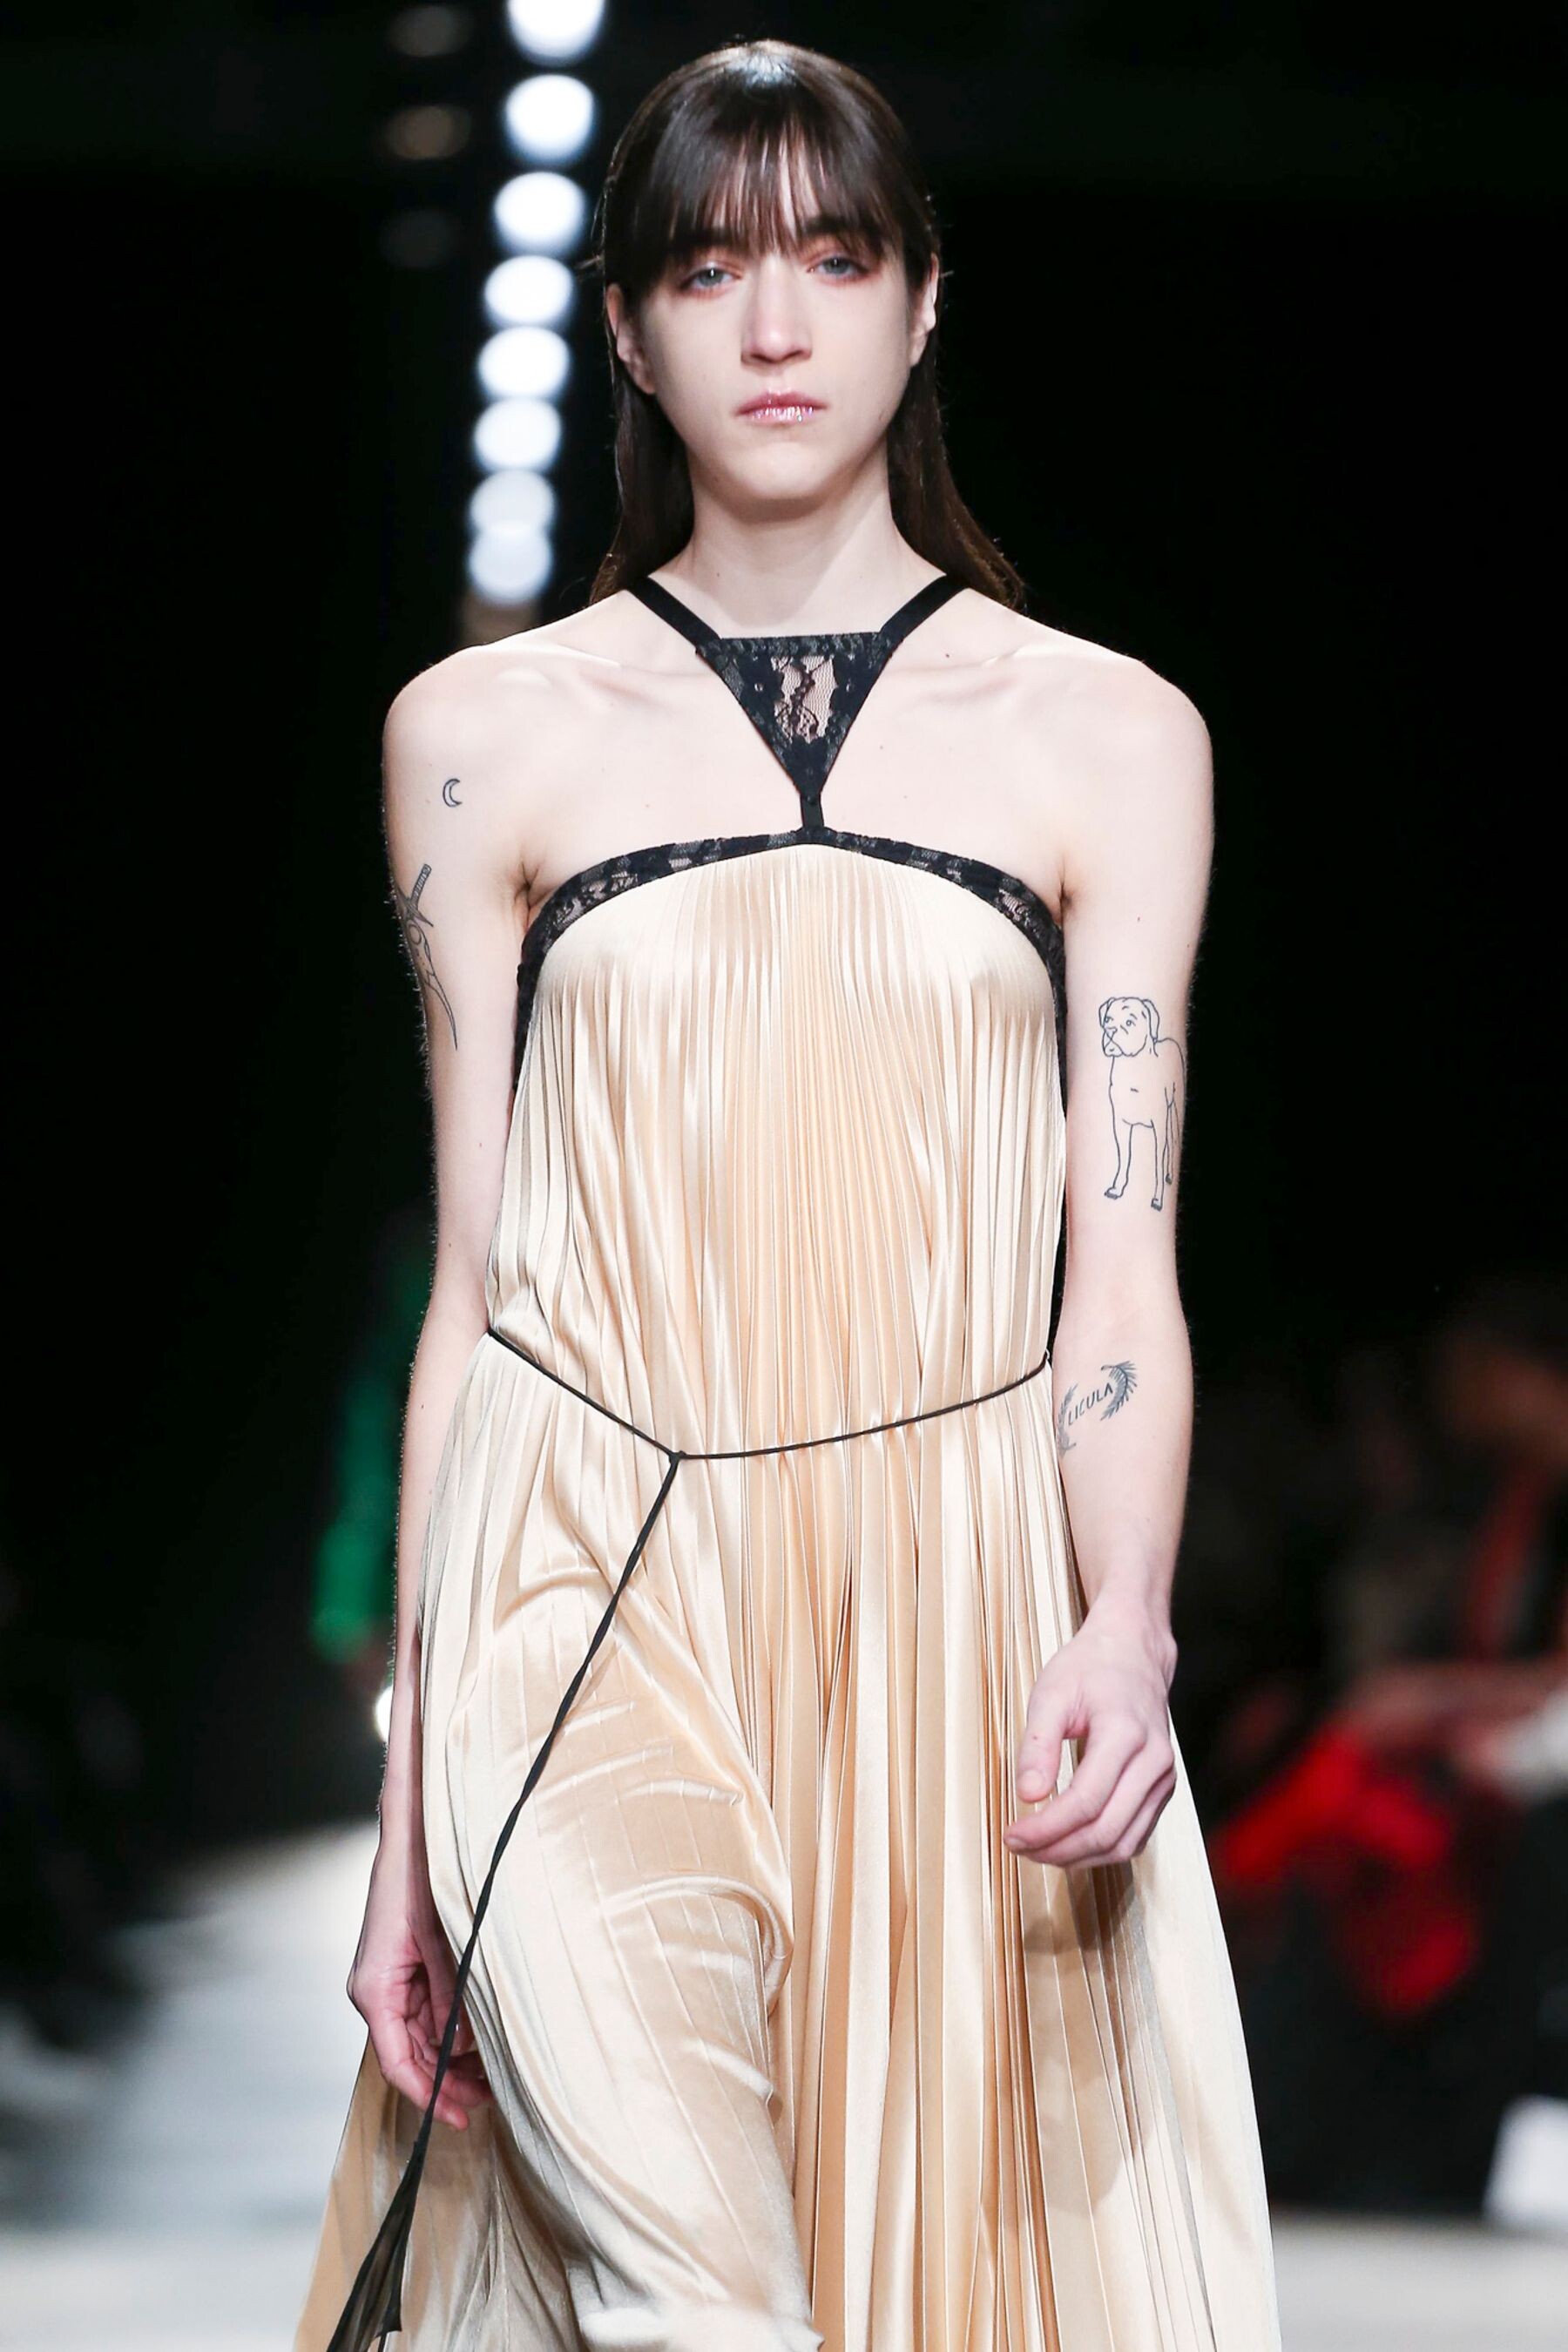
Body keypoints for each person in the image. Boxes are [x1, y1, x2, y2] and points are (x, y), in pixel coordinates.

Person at [293, 38, 1281, 2352]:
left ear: (923, 304)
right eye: (707, 265)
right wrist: (412, 1813)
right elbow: (476, 1281)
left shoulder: (1108, 737)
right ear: (628, 330)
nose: (772, 322)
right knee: (685, 2296)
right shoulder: (482, 737)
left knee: (917, 2279)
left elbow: (1118, 1265)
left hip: (948, 1595)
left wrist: (1124, 1619)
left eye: (833, 258)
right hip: (575, 1576)